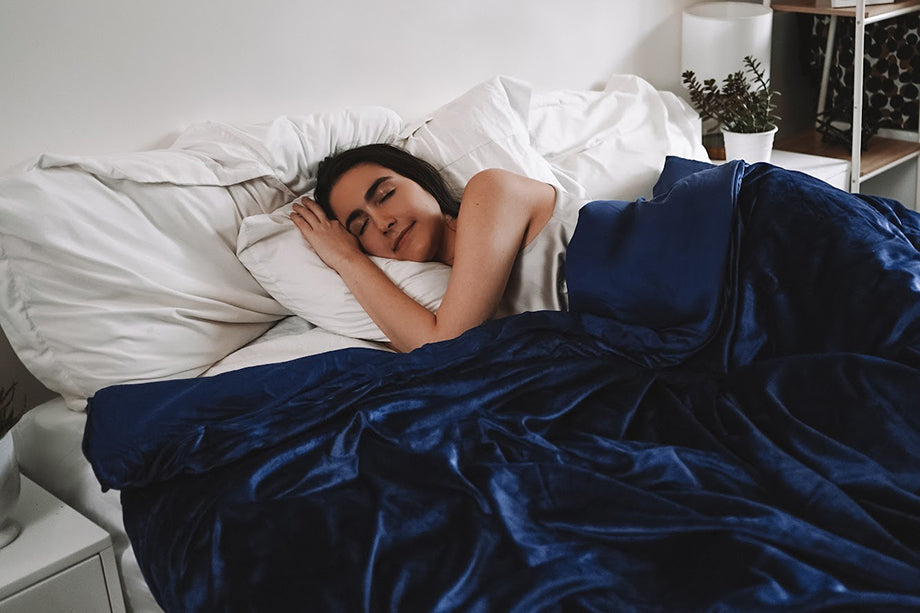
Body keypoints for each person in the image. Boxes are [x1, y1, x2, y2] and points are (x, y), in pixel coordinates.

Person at [290, 144, 586, 352]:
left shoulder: (490, 191)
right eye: (361, 227)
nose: (383, 222)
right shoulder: (453, 301)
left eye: (386, 194)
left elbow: (444, 345)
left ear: (423, 183)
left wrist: (346, 259)